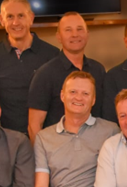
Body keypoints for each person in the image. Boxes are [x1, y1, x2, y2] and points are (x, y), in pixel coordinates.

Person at [0, 0, 60, 133]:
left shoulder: (52, 54)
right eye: (10, 17)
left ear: (31, 18)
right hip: (10, 137)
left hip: (48, 135)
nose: (15, 22)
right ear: (1, 20)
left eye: (21, 16)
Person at [27, 12, 106, 140]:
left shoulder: (98, 70)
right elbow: (34, 125)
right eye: (68, 30)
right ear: (59, 36)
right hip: (57, 148)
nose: (75, 34)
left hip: (95, 146)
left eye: (79, 29)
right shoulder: (45, 74)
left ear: (87, 34)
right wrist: (42, 151)